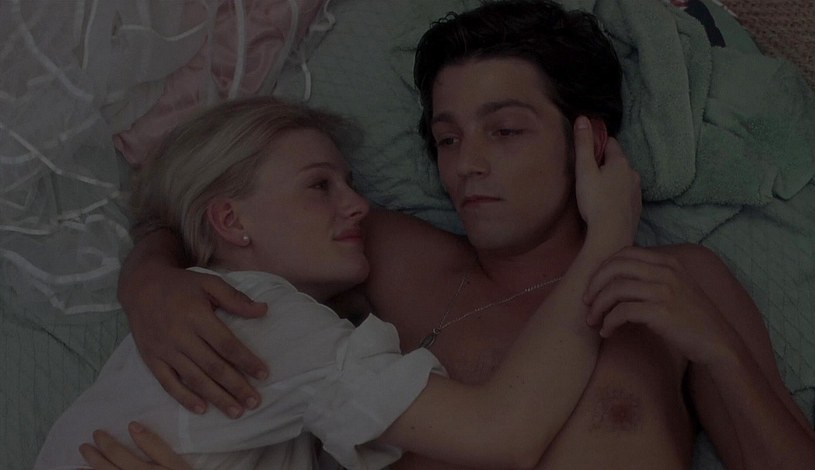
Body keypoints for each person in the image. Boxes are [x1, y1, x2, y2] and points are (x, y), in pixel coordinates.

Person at [107, 1, 815, 469]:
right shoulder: (385, 253)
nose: (467, 165)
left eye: (505, 131)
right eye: (447, 138)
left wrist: (719, 350)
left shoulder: (681, 283)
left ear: (590, 141)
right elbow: (202, 213)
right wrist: (151, 278)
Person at [36, 96, 641, 470]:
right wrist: (610, 233)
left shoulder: (208, 315)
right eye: (319, 185)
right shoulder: (263, 316)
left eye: (348, 182)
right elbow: (503, 432)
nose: (357, 205)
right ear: (231, 220)